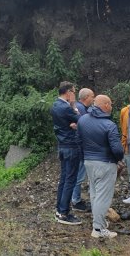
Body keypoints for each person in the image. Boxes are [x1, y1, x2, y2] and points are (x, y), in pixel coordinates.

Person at [78, 95, 124, 239]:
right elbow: (117, 150)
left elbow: (78, 141)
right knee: (103, 197)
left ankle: (98, 222)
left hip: (89, 162)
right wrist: (119, 159)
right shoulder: (109, 125)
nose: (111, 107)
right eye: (110, 104)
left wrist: (84, 156)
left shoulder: (82, 120)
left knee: (94, 194)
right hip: (105, 164)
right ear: (104, 105)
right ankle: (98, 229)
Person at [51, 81, 83, 225]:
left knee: (64, 179)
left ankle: (59, 209)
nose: (74, 95)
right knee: (70, 180)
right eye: (73, 92)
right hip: (71, 146)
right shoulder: (66, 107)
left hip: (62, 145)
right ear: (68, 92)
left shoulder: (55, 105)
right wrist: (74, 106)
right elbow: (82, 120)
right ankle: (64, 213)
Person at [71, 87, 95, 213]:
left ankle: (76, 199)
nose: (94, 98)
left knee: (79, 175)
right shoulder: (79, 109)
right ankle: (75, 201)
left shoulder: (83, 108)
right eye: (92, 96)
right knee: (79, 177)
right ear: (86, 97)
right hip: (80, 149)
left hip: (81, 147)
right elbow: (82, 128)